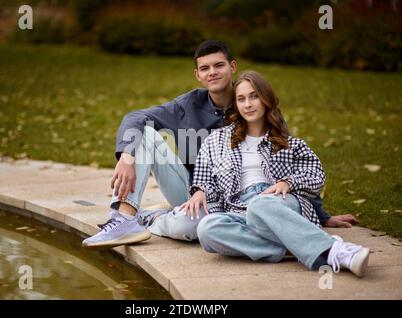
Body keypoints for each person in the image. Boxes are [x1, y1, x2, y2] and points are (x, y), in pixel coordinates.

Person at [82, 40, 357, 250]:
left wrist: (320, 214)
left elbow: (287, 162)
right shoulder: (186, 105)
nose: (212, 72)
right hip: (195, 192)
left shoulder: (256, 106)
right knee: (147, 134)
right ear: (197, 74)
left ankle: (154, 219)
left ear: (232, 67)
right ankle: (125, 218)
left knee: (194, 231)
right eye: (205, 68)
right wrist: (127, 156)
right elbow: (136, 117)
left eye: (219, 65)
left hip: (245, 200)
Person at [182, 70, 369, 276]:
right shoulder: (216, 141)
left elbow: (316, 174)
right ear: (235, 104)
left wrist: (288, 183)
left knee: (259, 204)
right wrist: (201, 192)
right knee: (207, 229)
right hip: (239, 210)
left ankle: (338, 253)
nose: (248, 104)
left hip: (280, 202)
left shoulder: (290, 143)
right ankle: (303, 246)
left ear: (265, 99)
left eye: (254, 96)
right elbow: (205, 179)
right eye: (241, 99)